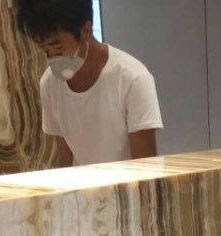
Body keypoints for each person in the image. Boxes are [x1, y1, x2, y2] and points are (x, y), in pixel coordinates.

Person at [16, 1, 163, 167]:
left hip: (128, 183)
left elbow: (146, 168)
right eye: (44, 50)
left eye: (57, 47)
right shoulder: (50, 84)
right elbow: (65, 161)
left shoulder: (132, 78)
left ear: (86, 30)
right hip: (82, 183)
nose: (52, 57)